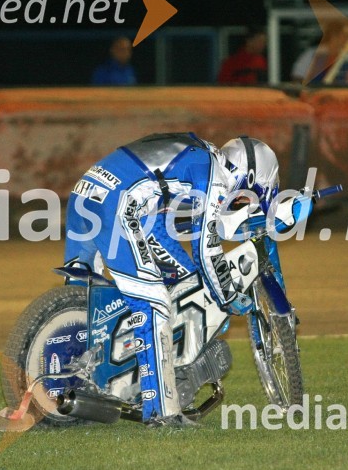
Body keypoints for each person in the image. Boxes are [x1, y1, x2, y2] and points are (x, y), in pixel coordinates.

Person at [63, 133, 280, 425]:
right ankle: (162, 412)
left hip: (87, 191)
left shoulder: (201, 153)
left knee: (85, 294)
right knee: (153, 303)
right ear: (250, 177)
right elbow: (207, 248)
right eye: (249, 197)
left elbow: (162, 216)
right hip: (117, 204)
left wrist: (191, 279)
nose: (241, 203)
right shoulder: (214, 173)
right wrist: (227, 296)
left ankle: (71, 378)